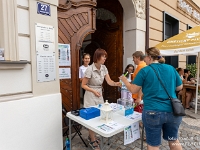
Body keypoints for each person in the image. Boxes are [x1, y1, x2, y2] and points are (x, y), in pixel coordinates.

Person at [119, 47, 183, 150]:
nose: (144, 59)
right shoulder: (171, 68)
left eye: (145, 57)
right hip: (172, 111)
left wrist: (124, 80)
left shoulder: (145, 70)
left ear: (149, 57)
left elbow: (133, 89)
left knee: (153, 145)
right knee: (173, 139)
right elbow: (179, 87)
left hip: (153, 112)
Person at [82, 48, 121, 150]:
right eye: (103, 56)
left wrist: (117, 83)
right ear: (97, 57)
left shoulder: (104, 68)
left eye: (105, 56)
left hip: (99, 94)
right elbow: (83, 85)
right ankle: (93, 139)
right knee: (91, 117)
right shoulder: (90, 69)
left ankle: (92, 136)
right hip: (91, 95)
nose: (105, 58)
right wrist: (94, 91)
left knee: (100, 115)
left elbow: (109, 81)